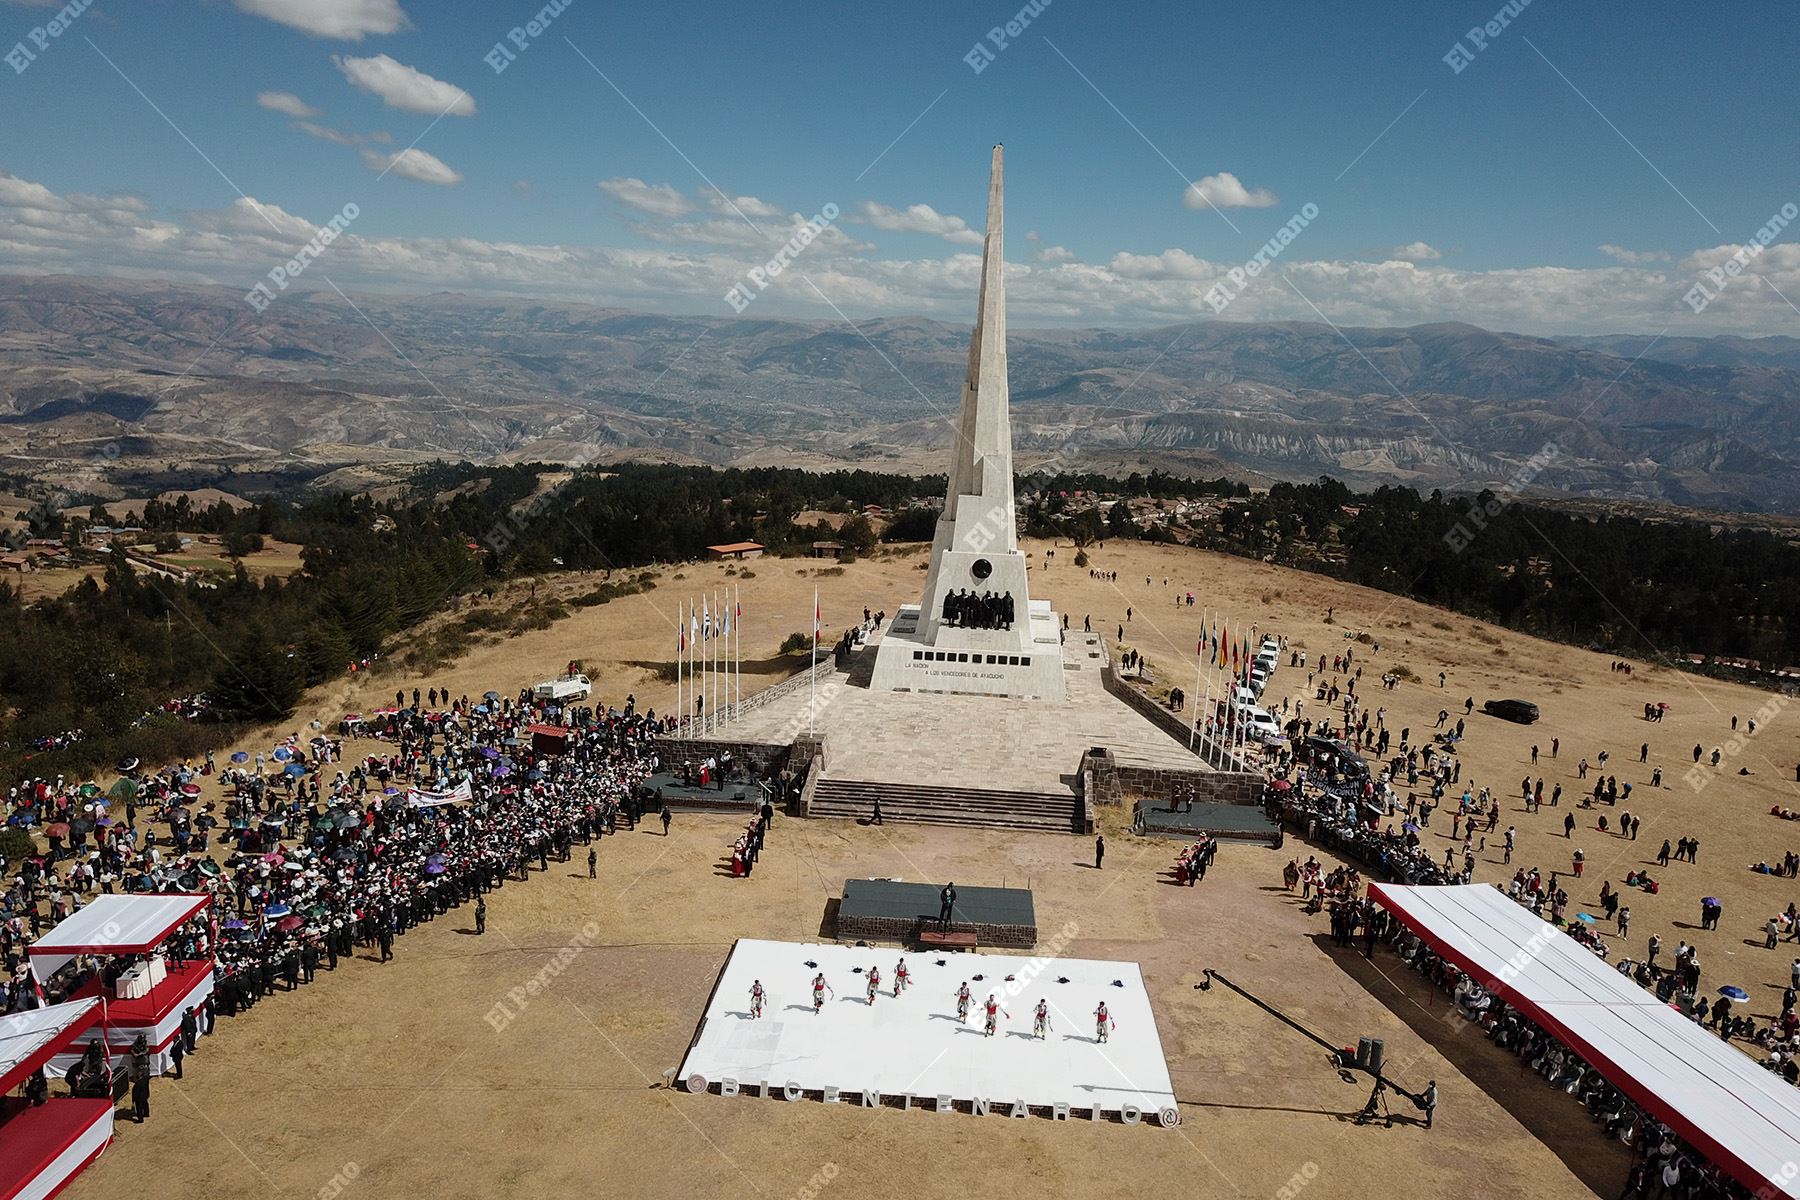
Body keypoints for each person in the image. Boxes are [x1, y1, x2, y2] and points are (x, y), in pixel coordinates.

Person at [129, 1034, 151, 1123]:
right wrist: (136, 1054)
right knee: (145, 1102)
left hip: (144, 1062)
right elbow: (132, 1051)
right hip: (138, 1063)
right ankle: (146, 1113)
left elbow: (146, 1051)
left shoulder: (138, 1084)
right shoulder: (145, 1080)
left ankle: (141, 1118)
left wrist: (140, 1054)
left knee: (140, 1105)